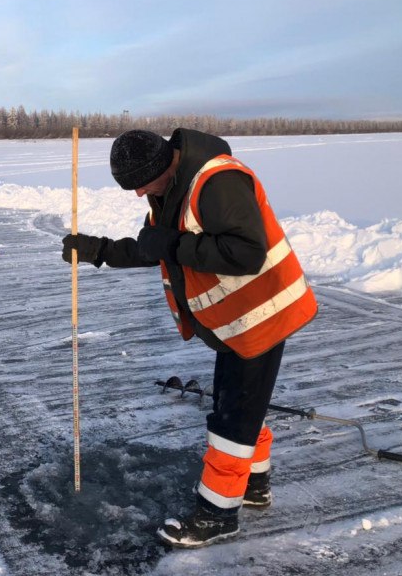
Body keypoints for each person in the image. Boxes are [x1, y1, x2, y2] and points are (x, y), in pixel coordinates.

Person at [62, 128, 318, 548]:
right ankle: (253, 487)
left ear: (161, 165)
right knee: (237, 404)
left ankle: (217, 515)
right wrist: (100, 250)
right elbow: (156, 247)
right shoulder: (170, 189)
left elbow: (247, 253)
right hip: (237, 321)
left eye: (140, 183)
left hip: (263, 313)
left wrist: (177, 244)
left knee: (232, 419)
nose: (138, 193)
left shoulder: (217, 183)